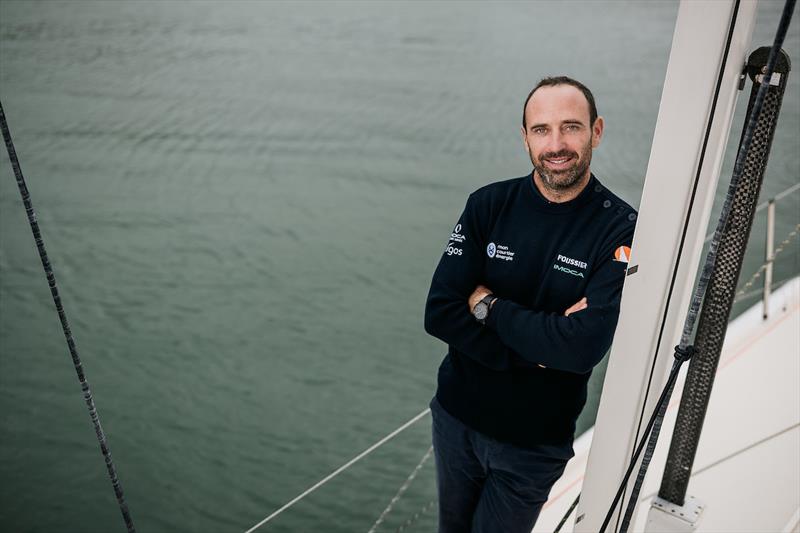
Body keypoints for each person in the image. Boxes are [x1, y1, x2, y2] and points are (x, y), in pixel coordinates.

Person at [423, 76, 637, 533]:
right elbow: (440, 310)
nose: (556, 144)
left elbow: (581, 349)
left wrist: (487, 305)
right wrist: (535, 349)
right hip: (456, 418)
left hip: (533, 446)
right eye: (541, 130)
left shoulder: (620, 230)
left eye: (571, 127)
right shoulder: (488, 206)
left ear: (596, 131)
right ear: (525, 138)